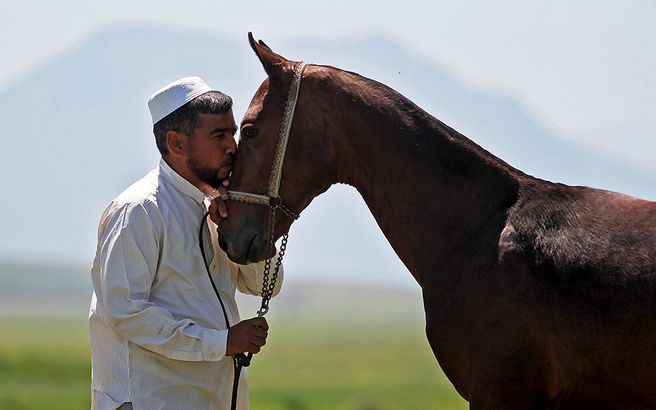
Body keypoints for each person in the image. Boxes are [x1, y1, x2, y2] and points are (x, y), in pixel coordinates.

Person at [88, 77, 283, 410]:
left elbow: (263, 286)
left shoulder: (217, 207)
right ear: (176, 143)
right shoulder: (139, 209)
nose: (232, 147)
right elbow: (126, 312)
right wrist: (220, 342)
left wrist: (248, 229)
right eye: (218, 135)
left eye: (233, 133)